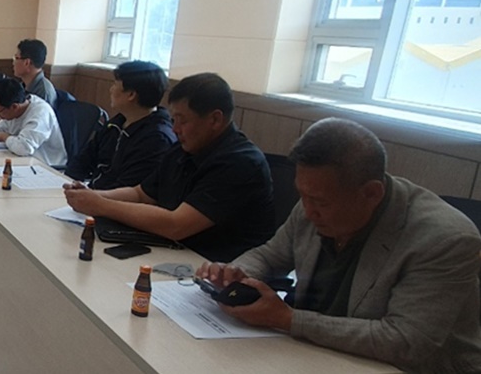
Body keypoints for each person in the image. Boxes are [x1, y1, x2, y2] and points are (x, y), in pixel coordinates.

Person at [197, 118, 481, 372]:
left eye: (319, 202)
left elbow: (405, 341)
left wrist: (289, 319)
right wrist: (237, 273)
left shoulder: (444, 239)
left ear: (371, 193)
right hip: (317, 353)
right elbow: (270, 255)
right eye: (302, 195)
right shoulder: (316, 199)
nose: (308, 211)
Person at [63, 73, 274, 262]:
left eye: (183, 121)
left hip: (216, 267)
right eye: (173, 120)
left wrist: (101, 205)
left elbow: (176, 225)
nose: (175, 129)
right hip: (170, 252)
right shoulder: (184, 148)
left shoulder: (239, 162)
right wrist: (92, 195)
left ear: (215, 119)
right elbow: (141, 194)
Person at [64, 60, 175, 190]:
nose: (111, 90)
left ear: (131, 95)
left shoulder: (157, 139)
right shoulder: (117, 123)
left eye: (115, 84)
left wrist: (90, 195)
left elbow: (129, 188)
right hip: (94, 194)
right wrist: (69, 183)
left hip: (112, 200)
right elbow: (83, 160)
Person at [0, 78, 66, 165]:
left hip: (45, 165)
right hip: (21, 159)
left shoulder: (40, 113)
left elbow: (24, 148)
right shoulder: (15, 108)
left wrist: (4, 137)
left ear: (14, 107)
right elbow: (1, 127)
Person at [14, 39, 56, 108]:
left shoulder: (43, 91)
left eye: (16, 58)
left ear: (27, 63)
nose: (13, 63)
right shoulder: (22, 86)